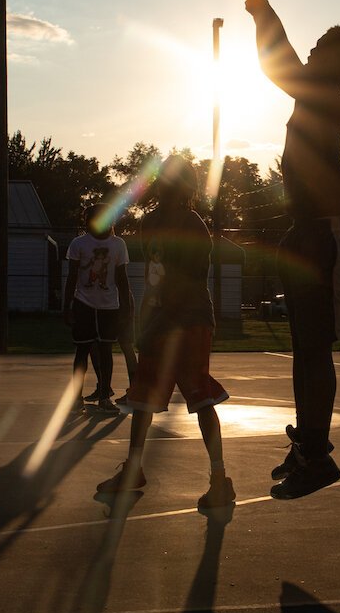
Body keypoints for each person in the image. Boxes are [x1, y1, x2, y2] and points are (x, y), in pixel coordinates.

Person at [215, 0, 340, 498]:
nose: (312, 50)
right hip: (308, 232)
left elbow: (274, 60)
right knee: (305, 349)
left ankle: (318, 455)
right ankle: (307, 444)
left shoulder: (326, 97)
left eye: (322, 45)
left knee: (314, 350)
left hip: (323, 236)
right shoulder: (316, 94)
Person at [97, 155, 234, 510]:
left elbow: (187, 280)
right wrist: (144, 321)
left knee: (200, 397)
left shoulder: (193, 225)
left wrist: (158, 318)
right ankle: (134, 470)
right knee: (142, 398)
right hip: (159, 320)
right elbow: (154, 277)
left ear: (187, 185)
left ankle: (219, 479)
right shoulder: (151, 222)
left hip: (189, 319)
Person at [64, 202, 133, 413]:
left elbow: (122, 279)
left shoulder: (118, 244)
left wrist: (126, 308)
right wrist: (67, 306)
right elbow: (72, 277)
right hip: (83, 303)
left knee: (105, 351)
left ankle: (104, 397)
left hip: (109, 306)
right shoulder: (79, 244)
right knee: (82, 350)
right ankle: (76, 399)